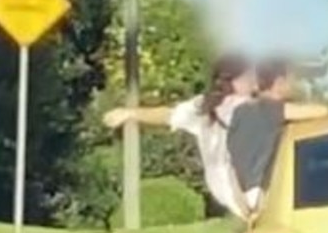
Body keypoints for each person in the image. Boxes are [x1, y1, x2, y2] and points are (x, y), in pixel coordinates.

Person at [102, 53, 256, 219]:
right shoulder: (204, 109)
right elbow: (170, 115)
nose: (255, 83)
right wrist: (129, 114)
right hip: (240, 200)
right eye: (218, 78)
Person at [227, 57, 328, 215]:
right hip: (264, 191)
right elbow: (321, 111)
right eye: (291, 80)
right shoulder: (272, 110)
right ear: (280, 82)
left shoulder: (240, 112)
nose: (293, 84)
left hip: (241, 193)